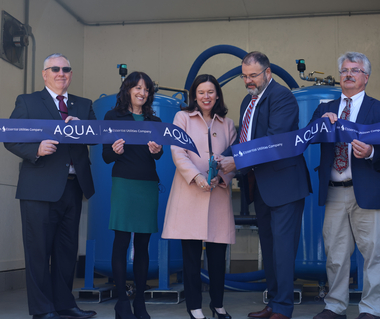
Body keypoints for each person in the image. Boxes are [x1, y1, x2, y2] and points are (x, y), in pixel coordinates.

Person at [217, 51, 312, 319]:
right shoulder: (248, 102)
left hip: (284, 187)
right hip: (261, 187)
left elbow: (274, 142)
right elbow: (245, 140)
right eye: (244, 76)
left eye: (253, 75)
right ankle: (273, 303)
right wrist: (222, 157)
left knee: (282, 249)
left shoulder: (281, 97)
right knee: (270, 250)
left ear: (267, 73)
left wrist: (235, 162)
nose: (248, 80)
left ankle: (283, 308)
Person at [4, 53, 97, 319]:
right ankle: (42, 310)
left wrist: (85, 128)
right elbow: (9, 137)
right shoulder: (28, 101)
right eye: (54, 68)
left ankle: (64, 305)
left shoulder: (84, 104)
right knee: (38, 252)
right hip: (38, 188)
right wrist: (36, 149)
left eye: (66, 69)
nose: (61, 73)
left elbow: (98, 135)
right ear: (45, 74)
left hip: (73, 186)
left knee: (67, 252)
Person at [309, 52, 380, 319]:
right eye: (345, 70)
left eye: (355, 70)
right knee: (335, 254)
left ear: (366, 77)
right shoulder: (326, 108)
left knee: (374, 254)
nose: (348, 74)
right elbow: (308, 135)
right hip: (335, 191)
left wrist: (370, 151)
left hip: (370, 191)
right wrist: (320, 125)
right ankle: (335, 306)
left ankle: (371, 309)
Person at [162, 74, 236, 319]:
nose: (206, 97)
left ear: (217, 95)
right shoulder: (181, 117)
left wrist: (222, 177)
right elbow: (177, 152)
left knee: (217, 257)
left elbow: (234, 159)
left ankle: (218, 305)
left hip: (218, 195)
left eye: (211, 92)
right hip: (190, 194)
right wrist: (196, 176)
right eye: (201, 92)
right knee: (191, 257)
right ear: (194, 95)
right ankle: (194, 307)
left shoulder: (228, 124)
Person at [102, 71, 163, 319]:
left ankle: (140, 301)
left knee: (143, 245)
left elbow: (157, 156)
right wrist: (116, 151)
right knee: (121, 242)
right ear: (127, 89)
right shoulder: (113, 116)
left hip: (147, 185)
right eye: (137, 87)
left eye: (146, 89)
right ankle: (121, 302)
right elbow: (106, 156)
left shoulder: (155, 121)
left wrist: (157, 150)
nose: (142, 92)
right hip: (124, 184)